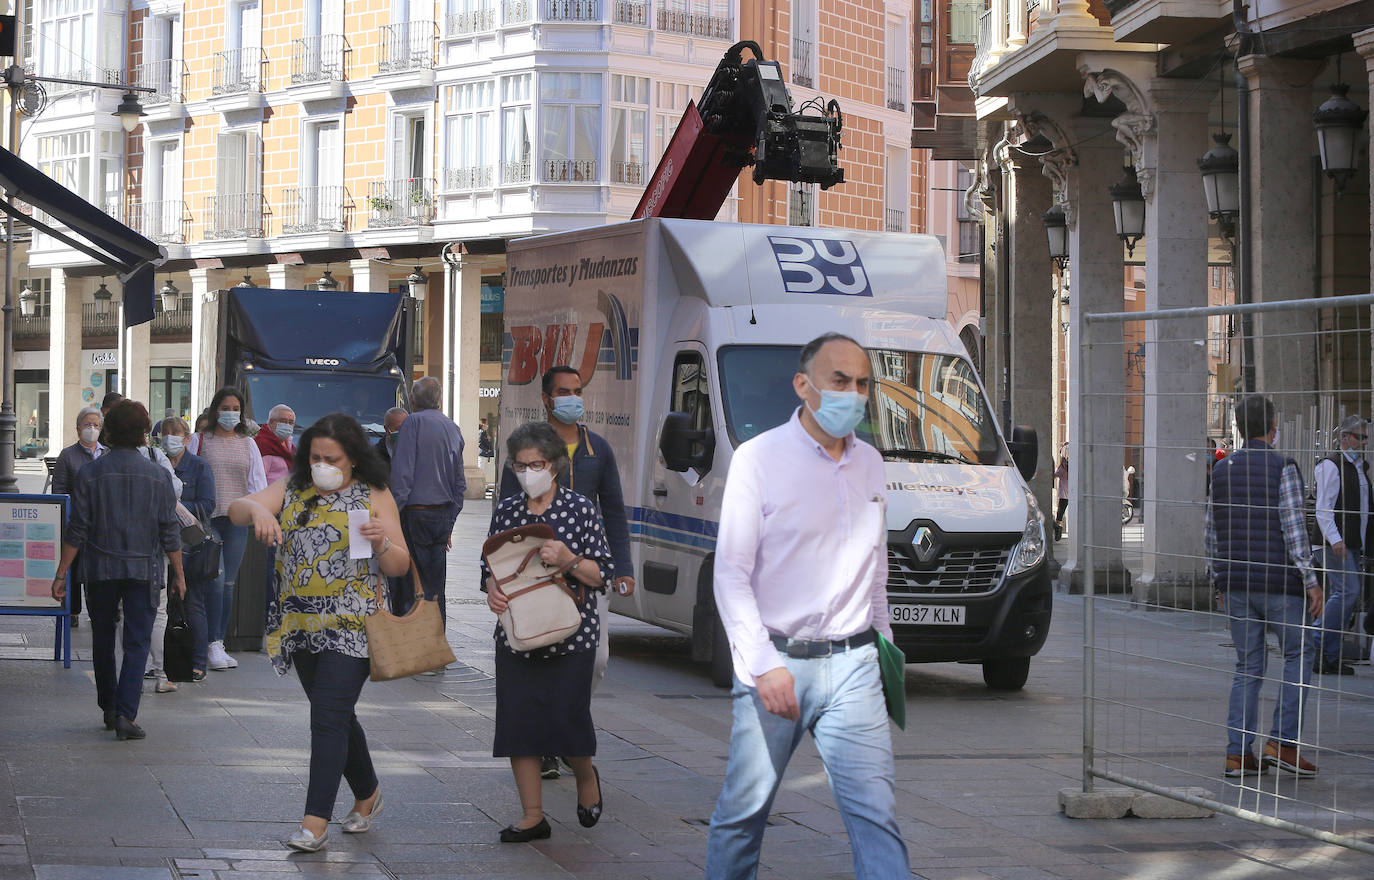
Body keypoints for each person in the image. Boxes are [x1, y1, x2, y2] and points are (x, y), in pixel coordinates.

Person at [706, 333, 907, 879]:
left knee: (876, 818)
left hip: (856, 666)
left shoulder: (870, 463)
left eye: (862, 383)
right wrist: (762, 663)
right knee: (743, 814)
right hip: (778, 663)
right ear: (804, 384)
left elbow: (876, 566)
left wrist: (884, 645)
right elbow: (731, 574)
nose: (853, 393)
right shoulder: (759, 459)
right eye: (839, 380)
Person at [229, 413, 410, 853]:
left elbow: (401, 565)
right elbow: (236, 509)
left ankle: (314, 823)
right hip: (301, 624)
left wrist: (383, 541)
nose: (322, 464)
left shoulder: (374, 494)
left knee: (326, 716)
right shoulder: (292, 489)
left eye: (332, 458)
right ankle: (368, 794)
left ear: (353, 460)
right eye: (315, 457)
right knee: (337, 715)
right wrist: (257, 510)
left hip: (354, 625)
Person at [497, 365, 634, 780]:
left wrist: (622, 567)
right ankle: (548, 741)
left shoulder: (599, 450)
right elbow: (503, 519)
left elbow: (613, 510)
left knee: (595, 660)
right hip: (532, 575)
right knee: (534, 649)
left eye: (577, 391)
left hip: (585, 570)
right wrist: (494, 580)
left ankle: (564, 724)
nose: (573, 398)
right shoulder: (525, 453)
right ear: (546, 398)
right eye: (563, 392)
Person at [481, 421, 612, 843]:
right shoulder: (507, 510)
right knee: (518, 722)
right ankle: (532, 816)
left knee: (567, 717)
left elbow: (601, 574)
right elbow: (489, 569)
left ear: (553, 465)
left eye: (535, 464)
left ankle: (586, 777)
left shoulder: (579, 509)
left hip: (571, 634)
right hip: (518, 632)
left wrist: (570, 559)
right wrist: (493, 593)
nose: (527, 472)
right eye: (520, 465)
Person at [49, 400, 186, 741]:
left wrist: (62, 572)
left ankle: (109, 707)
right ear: (144, 434)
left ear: (107, 431)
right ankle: (127, 713)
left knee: (103, 637)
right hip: (144, 568)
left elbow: (77, 528)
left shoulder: (91, 473)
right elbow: (169, 531)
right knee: (137, 640)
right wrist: (179, 574)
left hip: (99, 567)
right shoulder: (158, 475)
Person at [1207, 394, 1323, 778]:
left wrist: (1218, 579)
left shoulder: (1221, 470)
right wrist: (1311, 580)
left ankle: (1238, 754)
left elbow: (1212, 533)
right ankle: (1283, 744)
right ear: (1273, 427)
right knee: (1299, 654)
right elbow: (1293, 529)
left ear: (1239, 427)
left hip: (1237, 584)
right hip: (1278, 584)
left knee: (1248, 666)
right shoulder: (1282, 466)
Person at [187, 387, 268, 671]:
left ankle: (218, 642)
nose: (230, 413)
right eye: (225, 407)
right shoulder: (199, 440)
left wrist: (259, 514)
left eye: (236, 408)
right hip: (206, 520)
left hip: (237, 521)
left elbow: (258, 483)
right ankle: (209, 642)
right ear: (215, 409)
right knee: (216, 580)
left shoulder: (248, 444)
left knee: (229, 584)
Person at [388, 377, 464, 622]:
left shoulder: (412, 423)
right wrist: (450, 518)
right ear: (439, 399)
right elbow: (459, 483)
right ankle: (435, 642)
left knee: (413, 583)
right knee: (436, 585)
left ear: (411, 399)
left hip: (416, 513)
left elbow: (403, 475)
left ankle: (415, 642)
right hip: (442, 514)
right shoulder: (452, 427)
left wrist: (392, 515)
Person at [1312, 415, 1371, 676]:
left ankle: (1329, 656)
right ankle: (1314, 639)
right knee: (1348, 591)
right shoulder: (1331, 465)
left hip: (1352, 541)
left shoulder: (1357, 467)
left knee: (1345, 593)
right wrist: (1335, 539)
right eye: (1360, 437)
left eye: (1366, 437)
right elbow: (1323, 509)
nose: (1364, 442)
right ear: (1345, 438)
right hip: (1335, 542)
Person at [160, 417, 217, 682]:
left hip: (190, 545)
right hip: (162, 544)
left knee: (192, 602)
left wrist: (178, 505)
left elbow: (208, 504)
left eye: (176, 433)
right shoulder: (156, 463)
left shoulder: (199, 466)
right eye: (165, 433)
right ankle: (166, 663)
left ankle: (197, 663)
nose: (170, 438)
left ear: (186, 438)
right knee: (164, 607)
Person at [52, 406, 107, 627]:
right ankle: (73, 610)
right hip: (75, 521)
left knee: (96, 569)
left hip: (102, 524)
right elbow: (59, 489)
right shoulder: (68, 455)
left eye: (96, 425)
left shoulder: (108, 454)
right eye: (87, 424)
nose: (91, 429)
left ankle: (97, 610)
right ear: (78, 429)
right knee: (73, 565)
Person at [256, 404, 297, 485]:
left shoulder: (290, 446)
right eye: (283, 421)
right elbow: (258, 480)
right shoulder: (263, 445)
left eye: (290, 422)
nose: (287, 425)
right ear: (271, 422)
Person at [1053, 444, 1069, 542]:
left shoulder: (1063, 468)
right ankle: (1057, 527)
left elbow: (1055, 475)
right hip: (1073, 493)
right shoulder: (1073, 467)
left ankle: (1057, 527)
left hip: (1064, 494)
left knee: (1060, 512)